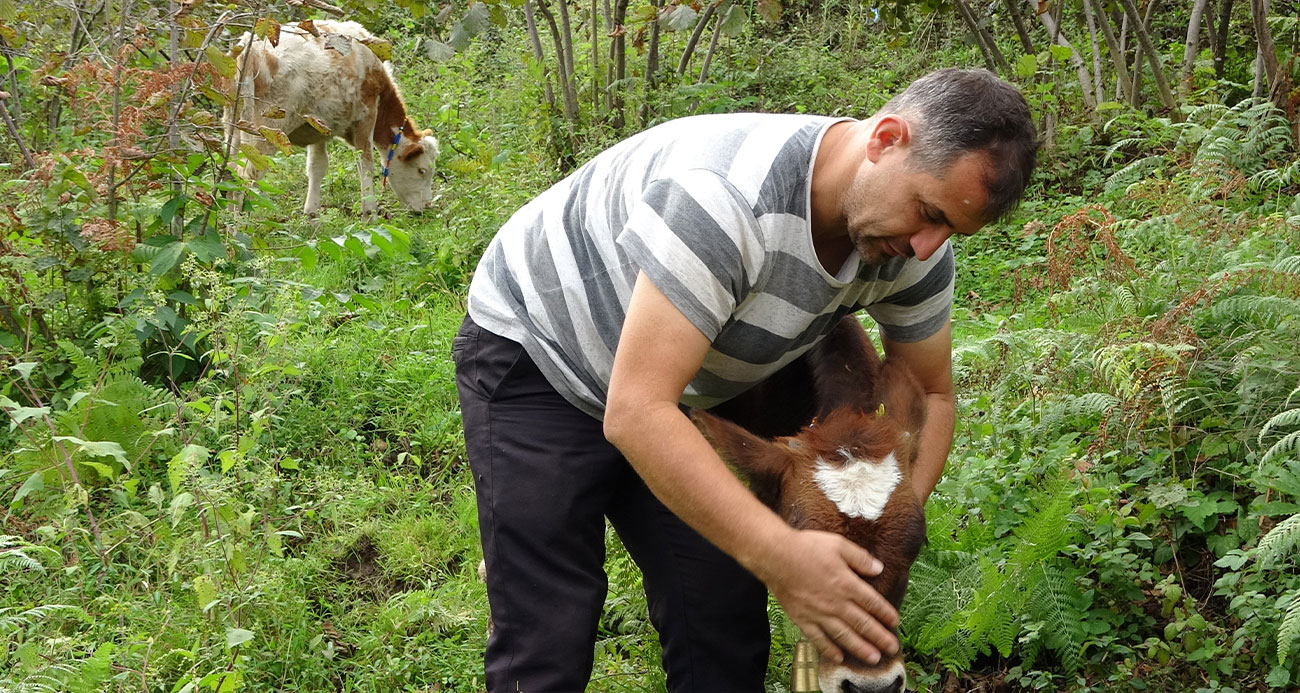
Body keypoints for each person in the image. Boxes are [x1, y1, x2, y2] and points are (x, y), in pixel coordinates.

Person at [453, 67, 1038, 692]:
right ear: (886, 138)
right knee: (546, 631)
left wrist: (895, 521)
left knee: (721, 618)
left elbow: (931, 392)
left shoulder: (910, 247)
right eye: (927, 212)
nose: (928, 247)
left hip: (684, 388)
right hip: (544, 352)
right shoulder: (726, 198)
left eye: (951, 229)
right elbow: (636, 411)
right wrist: (780, 556)